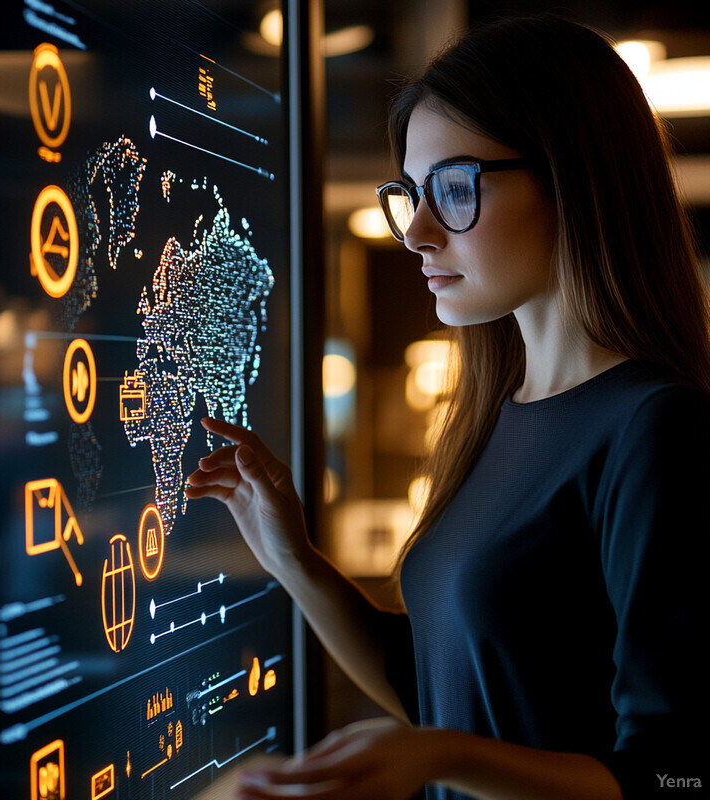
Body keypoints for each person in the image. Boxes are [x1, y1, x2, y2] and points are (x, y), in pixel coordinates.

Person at [186, 13, 710, 800]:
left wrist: (441, 758)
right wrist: (294, 561)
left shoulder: (654, 428)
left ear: (572, 176)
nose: (420, 234)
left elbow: (677, 774)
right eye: (411, 195)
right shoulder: (499, 415)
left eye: (456, 190)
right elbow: (438, 687)